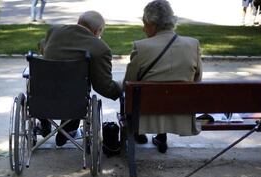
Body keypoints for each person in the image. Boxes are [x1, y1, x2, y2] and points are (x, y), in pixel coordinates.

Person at [123, 0, 202, 153]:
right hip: (180, 110)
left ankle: (140, 132)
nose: (143, 28)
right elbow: (197, 79)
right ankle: (161, 136)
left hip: (145, 112)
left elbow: (129, 82)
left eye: (144, 23)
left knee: (137, 93)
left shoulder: (141, 47)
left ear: (152, 24)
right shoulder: (193, 45)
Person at [38, 11, 122, 146]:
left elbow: (42, 45)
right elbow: (103, 87)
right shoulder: (100, 48)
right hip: (74, 103)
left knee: (57, 83)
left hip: (41, 98)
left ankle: (44, 122)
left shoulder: (54, 31)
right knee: (77, 89)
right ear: (98, 30)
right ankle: (68, 129)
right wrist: (121, 86)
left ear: (79, 22)